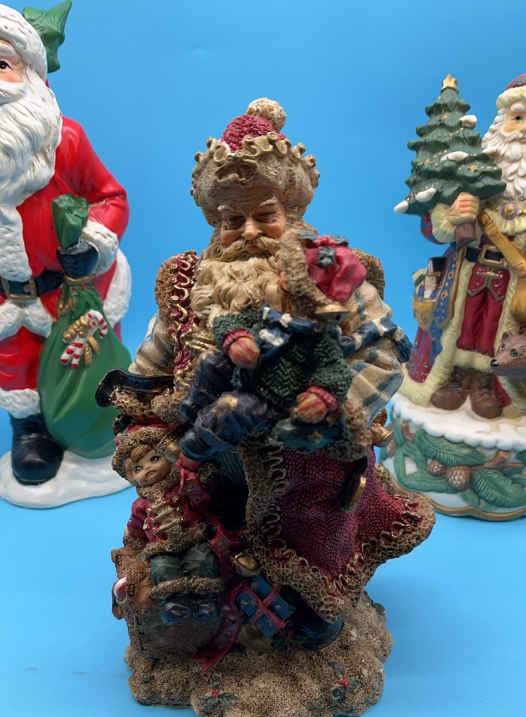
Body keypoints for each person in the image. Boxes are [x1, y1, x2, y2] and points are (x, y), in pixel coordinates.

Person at [109, 98, 433, 663]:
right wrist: (142, 428)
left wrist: (330, 410)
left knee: (310, 566)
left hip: (305, 462)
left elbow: (382, 357)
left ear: (293, 211)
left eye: (265, 216)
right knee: (193, 551)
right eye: (232, 221)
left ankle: (312, 605)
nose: (249, 232)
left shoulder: (330, 276)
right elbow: (151, 366)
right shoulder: (189, 285)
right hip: (206, 459)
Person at [0, 3, 130, 484]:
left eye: (2, 63)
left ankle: (98, 417)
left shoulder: (66, 140)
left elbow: (111, 198)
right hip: (6, 297)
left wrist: (93, 243)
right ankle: (29, 428)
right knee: (16, 363)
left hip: (68, 291)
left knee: (85, 362)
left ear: (30, 72)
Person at [404, 74, 526, 419]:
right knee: (463, 323)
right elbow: (432, 229)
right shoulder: (476, 173)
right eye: (518, 118)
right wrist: (453, 215)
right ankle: (455, 376)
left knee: (496, 331)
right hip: (467, 269)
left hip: (514, 280)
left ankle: (487, 382)